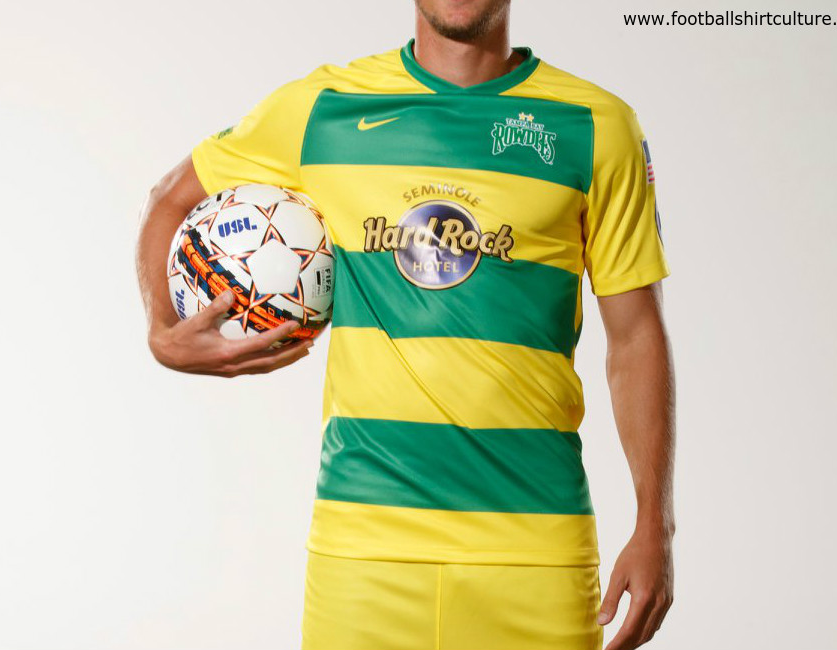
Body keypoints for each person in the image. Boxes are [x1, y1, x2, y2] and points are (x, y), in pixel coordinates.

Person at [135, 0, 676, 648]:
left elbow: (635, 335)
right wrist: (162, 331)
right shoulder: (324, 110)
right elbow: (170, 198)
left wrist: (655, 524)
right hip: (362, 552)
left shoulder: (595, 125)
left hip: (535, 552)